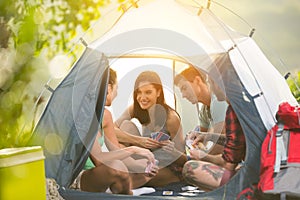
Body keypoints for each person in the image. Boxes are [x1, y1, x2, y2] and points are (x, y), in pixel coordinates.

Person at [71, 68, 158, 195]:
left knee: (145, 173)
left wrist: (140, 166)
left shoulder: (105, 115)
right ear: (109, 88)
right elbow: (99, 159)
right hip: (79, 176)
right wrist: (134, 149)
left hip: (98, 174)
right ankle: (129, 193)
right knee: (117, 166)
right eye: (117, 88)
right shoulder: (86, 115)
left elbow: (116, 150)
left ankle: (119, 190)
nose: (117, 93)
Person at [114, 71, 187, 187]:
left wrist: (172, 152)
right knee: (126, 126)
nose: (142, 98)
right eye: (139, 92)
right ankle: (131, 171)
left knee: (124, 181)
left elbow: (184, 160)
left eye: (148, 92)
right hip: (145, 161)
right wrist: (139, 141)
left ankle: (131, 178)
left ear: (158, 92)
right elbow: (111, 131)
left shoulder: (171, 119)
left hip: (166, 167)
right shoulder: (136, 108)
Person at [181, 75, 246, 191]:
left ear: (218, 83)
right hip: (257, 168)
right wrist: (208, 136)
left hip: (249, 177)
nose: (210, 87)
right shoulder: (244, 103)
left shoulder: (231, 110)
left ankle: (231, 193)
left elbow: (228, 164)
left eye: (210, 82)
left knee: (190, 168)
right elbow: (236, 141)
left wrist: (203, 156)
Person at [174, 66, 228, 154]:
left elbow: (220, 147)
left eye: (184, 88)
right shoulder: (204, 111)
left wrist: (201, 156)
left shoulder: (218, 102)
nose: (183, 95)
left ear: (198, 81)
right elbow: (202, 139)